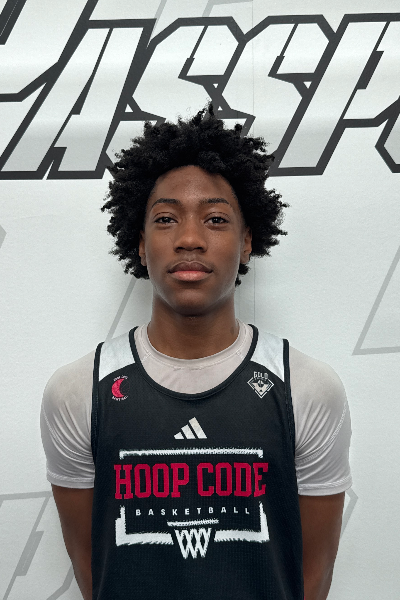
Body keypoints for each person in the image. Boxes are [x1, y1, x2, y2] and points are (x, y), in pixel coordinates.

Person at [41, 104, 352, 600]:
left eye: (215, 219)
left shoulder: (308, 388)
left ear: (247, 242)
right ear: (140, 244)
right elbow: (91, 563)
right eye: (166, 219)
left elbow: (313, 571)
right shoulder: (79, 391)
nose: (189, 239)